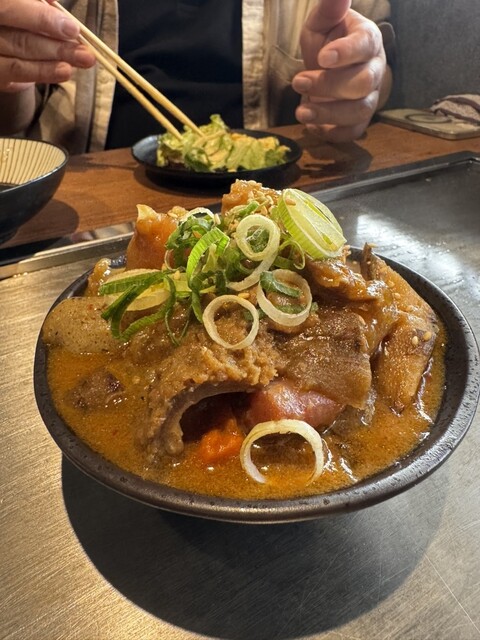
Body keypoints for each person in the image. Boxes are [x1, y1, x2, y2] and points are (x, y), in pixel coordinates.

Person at [0, 0, 392, 154]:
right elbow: (12, 122)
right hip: (87, 215)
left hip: (271, 208)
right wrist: (12, 76)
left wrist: (354, 82)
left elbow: (383, 74)